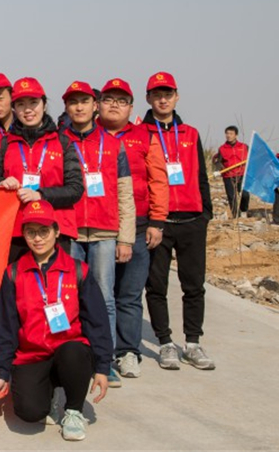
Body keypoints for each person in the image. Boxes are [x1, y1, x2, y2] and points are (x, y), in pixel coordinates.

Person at [0, 200, 110, 442]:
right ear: (24, 235)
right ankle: (51, 393)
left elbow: (97, 321)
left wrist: (102, 367)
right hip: (32, 354)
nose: (38, 239)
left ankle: (74, 410)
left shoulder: (78, 270)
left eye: (44, 231)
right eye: (31, 232)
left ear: (56, 232)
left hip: (69, 349)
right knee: (30, 412)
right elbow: (5, 325)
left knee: (73, 352)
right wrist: (2, 370)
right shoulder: (14, 273)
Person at [60, 81, 135, 388]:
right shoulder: (59, 142)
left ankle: (105, 360)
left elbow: (125, 193)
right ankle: (75, 357)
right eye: (73, 102)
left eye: (84, 101)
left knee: (105, 297)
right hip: (70, 231)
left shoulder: (114, 145)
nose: (79, 107)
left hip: (105, 231)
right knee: (70, 295)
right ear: (66, 107)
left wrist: (125, 238)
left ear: (95, 106)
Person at [143, 71, 215, 370]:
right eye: (157, 95)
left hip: (192, 221)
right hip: (159, 222)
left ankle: (193, 343)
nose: (163, 100)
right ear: (148, 98)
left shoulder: (191, 134)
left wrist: (206, 214)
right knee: (156, 286)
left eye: (168, 94)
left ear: (176, 97)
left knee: (194, 285)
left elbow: (201, 176)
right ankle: (165, 343)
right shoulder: (141, 133)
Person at [97, 78, 168, 380]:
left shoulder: (145, 136)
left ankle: (127, 351)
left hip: (138, 227)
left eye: (121, 100)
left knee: (128, 294)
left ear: (131, 106)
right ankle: (100, 352)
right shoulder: (86, 134)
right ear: (98, 104)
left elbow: (158, 180)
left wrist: (157, 221)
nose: (114, 105)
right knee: (98, 295)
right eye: (108, 99)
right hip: (98, 228)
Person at [0, 77, 84, 264]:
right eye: (21, 104)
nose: (28, 109)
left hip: (55, 229)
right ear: (14, 109)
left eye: (33, 102)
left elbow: (75, 189)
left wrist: (40, 195)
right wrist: (0, 183)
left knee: (56, 280)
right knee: (18, 280)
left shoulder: (63, 143)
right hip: (16, 231)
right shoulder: (3, 145)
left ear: (44, 105)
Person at [213, 126, 249, 219]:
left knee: (245, 194)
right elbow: (218, 161)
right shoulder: (222, 148)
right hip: (228, 175)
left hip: (242, 174)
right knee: (232, 197)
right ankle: (236, 215)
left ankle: (243, 210)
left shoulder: (244, 147)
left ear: (236, 135)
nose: (228, 136)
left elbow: (251, 158)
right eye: (227, 133)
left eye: (231, 134)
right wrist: (217, 170)